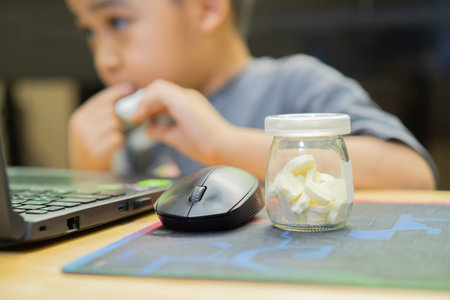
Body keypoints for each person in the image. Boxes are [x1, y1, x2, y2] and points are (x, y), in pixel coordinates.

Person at [66, 0, 437, 189]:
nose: (105, 60)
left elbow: (414, 175)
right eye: (90, 32)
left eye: (117, 22)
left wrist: (223, 144)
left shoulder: (295, 83)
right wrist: (89, 175)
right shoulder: (142, 128)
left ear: (207, 8)